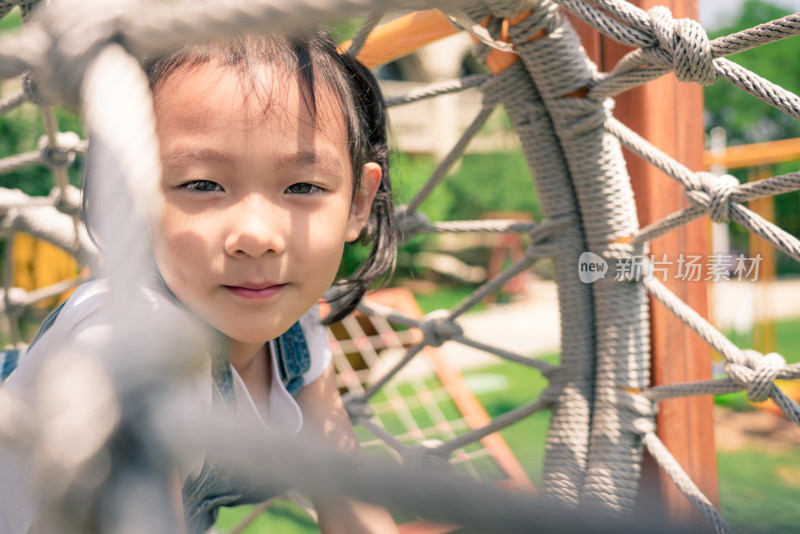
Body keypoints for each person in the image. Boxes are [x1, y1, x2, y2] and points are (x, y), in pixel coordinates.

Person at [0, 28, 400, 534]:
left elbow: (348, 498)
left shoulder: (298, 328)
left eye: (303, 186)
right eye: (203, 184)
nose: (256, 236)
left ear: (358, 203)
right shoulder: (132, 344)